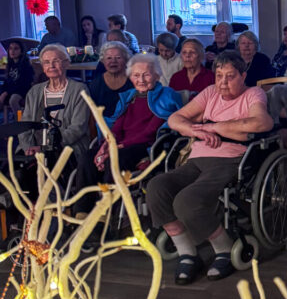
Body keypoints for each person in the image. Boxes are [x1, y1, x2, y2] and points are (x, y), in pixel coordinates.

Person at [146, 51, 273, 285]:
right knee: (157, 187)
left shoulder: (252, 94)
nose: (223, 82)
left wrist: (213, 127)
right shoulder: (210, 93)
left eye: (230, 76)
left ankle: (224, 248)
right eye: (219, 76)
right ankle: (187, 253)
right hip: (197, 158)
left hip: (231, 160)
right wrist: (195, 130)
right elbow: (175, 119)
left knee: (187, 201)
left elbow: (261, 122)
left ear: (243, 76)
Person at [76, 53, 183, 217]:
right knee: (87, 157)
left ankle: (107, 211)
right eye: (136, 75)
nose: (141, 79)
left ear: (157, 74)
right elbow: (117, 125)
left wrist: (120, 146)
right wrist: (107, 143)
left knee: (116, 158)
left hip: (147, 147)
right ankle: (82, 212)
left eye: (146, 74)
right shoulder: (129, 96)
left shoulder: (167, 96)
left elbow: (151, 132)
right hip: (120, 145)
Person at [19, 44, 90, 166]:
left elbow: (78, 128)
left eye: (56, 61)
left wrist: (46, 147)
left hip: (66, 145)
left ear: (67, 63)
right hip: (35, 146)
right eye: (46, 62)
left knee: (53, 161)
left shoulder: (79, 90)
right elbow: (24, 125)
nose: (51, 66)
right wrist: (28, 147)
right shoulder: (34, 91)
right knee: (17, 167)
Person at [87, 41, 131, 123]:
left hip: (130, 125)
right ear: (103, 61)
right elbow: (92, 114)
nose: (113, 61)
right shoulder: (96, 84)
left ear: (126, 60)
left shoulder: (134, 80)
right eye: (109, 58)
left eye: (118, 57)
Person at [0, 40, 34, 119]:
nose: (12, 51)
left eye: (16, 49)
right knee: (0, 98)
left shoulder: (26, 65)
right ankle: (8, 121)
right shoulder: (10, 64)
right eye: (10, 48)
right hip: (12, 89)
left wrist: (5, 93)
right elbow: (7, 82)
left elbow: (23, 83)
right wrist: (2, 94)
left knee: (13, 100)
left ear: (21, 51)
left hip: (23, 89)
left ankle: (20, 120)